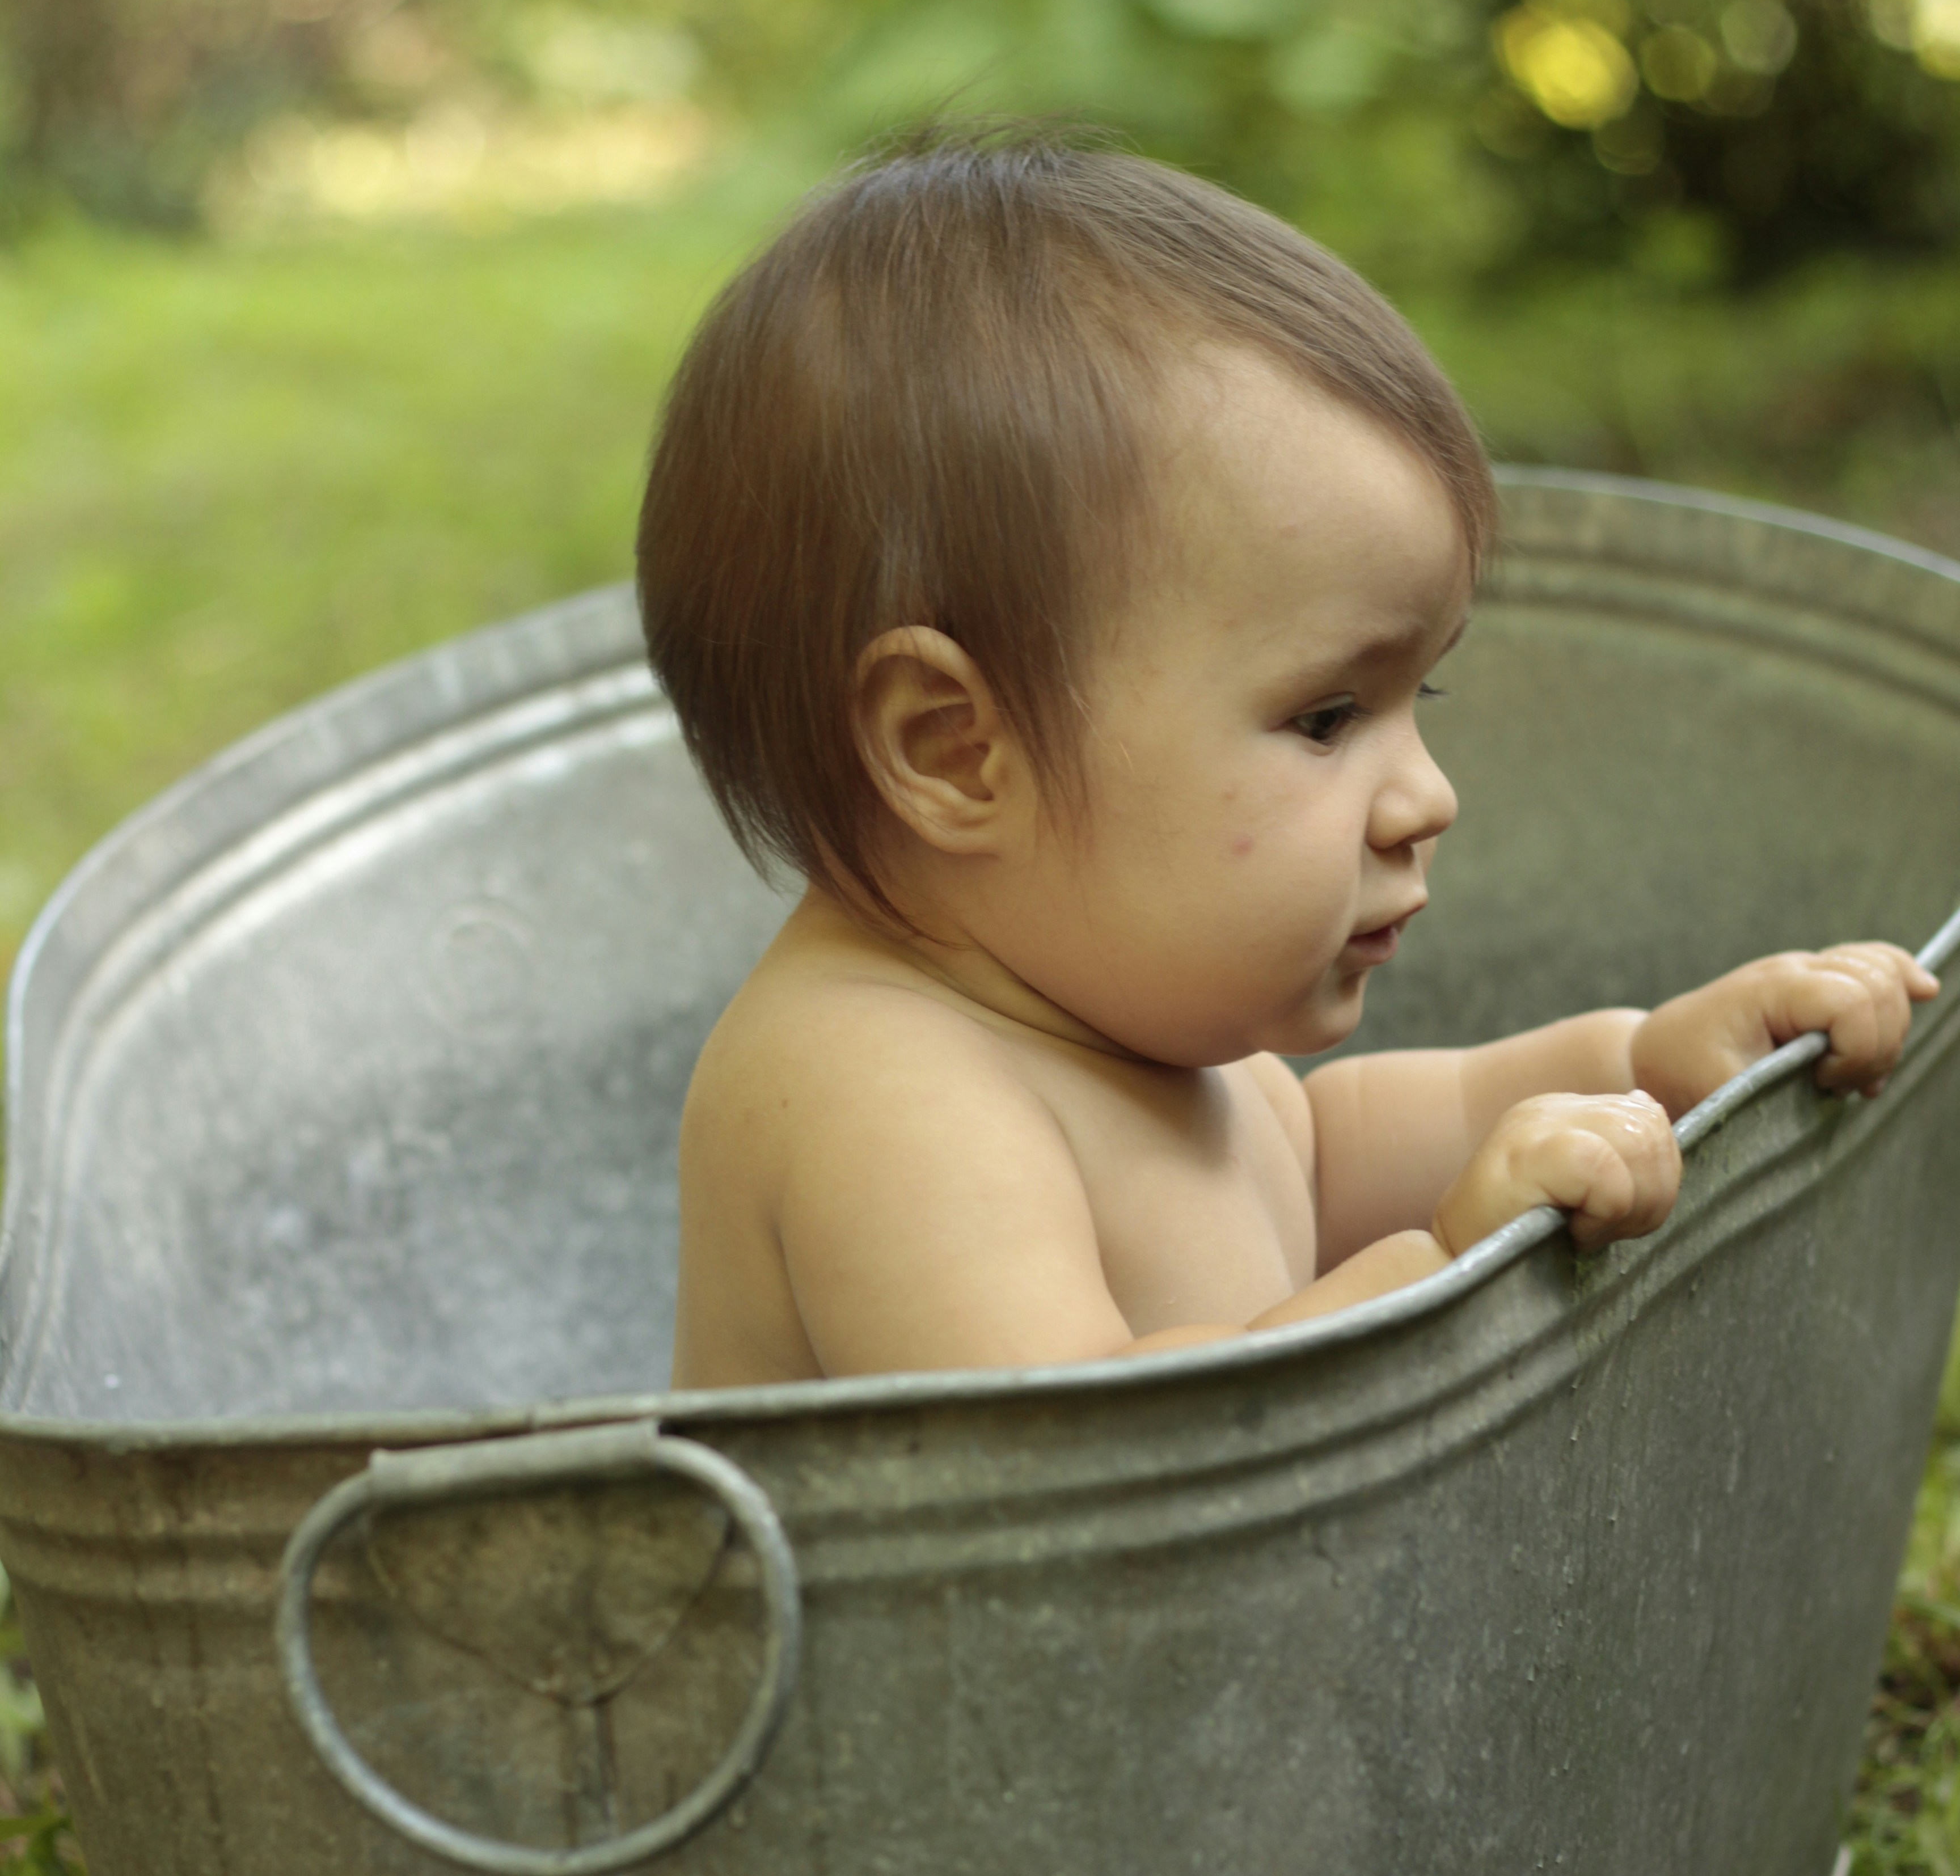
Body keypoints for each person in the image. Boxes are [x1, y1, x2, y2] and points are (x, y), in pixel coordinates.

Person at [636, 129, 1934, 1388]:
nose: (1428, 797)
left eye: (1415, 693)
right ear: (956, 749)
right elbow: (1077, 1488)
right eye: (1325, 718)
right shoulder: (880, 1097)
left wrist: (1647, 1069)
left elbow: (1318, 1162)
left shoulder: (1114, 999)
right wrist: (1438, 1275)